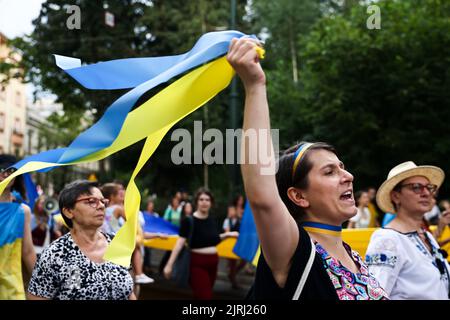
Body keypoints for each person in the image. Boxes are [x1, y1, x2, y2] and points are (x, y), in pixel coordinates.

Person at [226, 38, 388, 300]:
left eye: (342, 168)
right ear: (298, 196)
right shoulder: (295, 251)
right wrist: (255, 86)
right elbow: (263, 197)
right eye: (329, 172)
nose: (348, 177)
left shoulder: (354, 257)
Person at [27, 180, 136, 300]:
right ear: (68, 211)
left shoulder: (117, 243)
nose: (101, 206)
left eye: (103, 201)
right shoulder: (56, 254)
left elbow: (129, 292)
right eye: (91, 201)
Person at [365, 161, 450, 299]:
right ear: (396, 196)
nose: (426, 193)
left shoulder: (426, 235)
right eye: (416, 187)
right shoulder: (387, 239)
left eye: (429, 187)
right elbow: (374, 296)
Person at [163, 188, 238, 299]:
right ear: (197, 202)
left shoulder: (213, 220)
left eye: (207, 200)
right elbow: (179, 244)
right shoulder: (189, 221)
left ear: (211, 203)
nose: (204, 202)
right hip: (197, 263)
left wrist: (227, 235)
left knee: (203, 295)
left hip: (213, 263)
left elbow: (213, 240)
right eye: (201, 199)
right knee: (205, 297)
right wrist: (169, 265)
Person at [0, 155, 36, 299]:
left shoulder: (23, 211)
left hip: (11, 288)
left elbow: (27, 251)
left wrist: (44, 282)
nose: (5, 174)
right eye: (1, 169)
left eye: (11, 170)